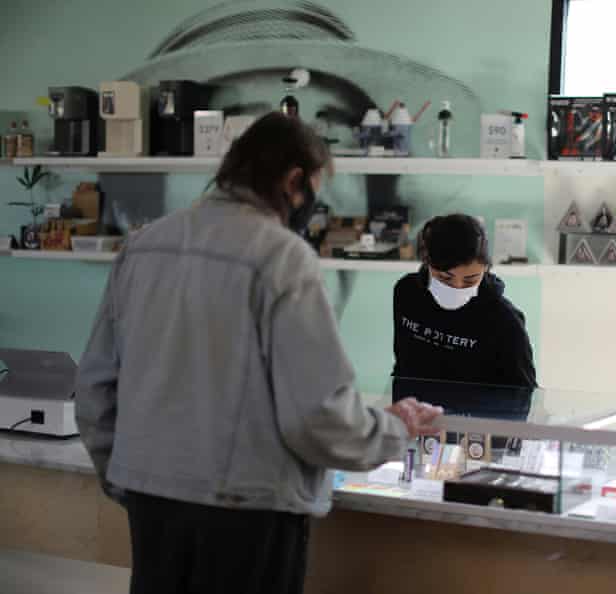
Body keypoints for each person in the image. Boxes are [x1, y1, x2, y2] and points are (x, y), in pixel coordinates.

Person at [75, 112, 441, 594]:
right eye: (314, 187)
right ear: (293, 181)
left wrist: (129, 477)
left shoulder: (144, 247)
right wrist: (394, 429)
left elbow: (95, 391)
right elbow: (317, 416)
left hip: (151, 504)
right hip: (246, 516)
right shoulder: (282, 258)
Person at [392, 214, 536, 415]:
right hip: (416, 421)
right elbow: (403, 363)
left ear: (485, 269)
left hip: (475, 429)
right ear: (428, 263)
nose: (457, 287)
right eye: (444, 278)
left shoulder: (504, 320)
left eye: (469, 280)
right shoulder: (407, 292)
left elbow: (521, 397)